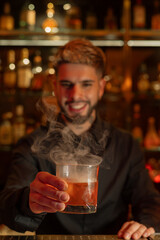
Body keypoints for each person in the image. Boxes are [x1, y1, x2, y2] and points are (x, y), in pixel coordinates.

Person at [0, 38, 160, 239]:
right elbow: (7, 205)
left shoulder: (125, 144)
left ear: (101, 87)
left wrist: (144, 224)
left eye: (86, 84)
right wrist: (28, 200)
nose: (75, 95)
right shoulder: (31, 144)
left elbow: (149, 201)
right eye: (67, 84)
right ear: (55, 85)